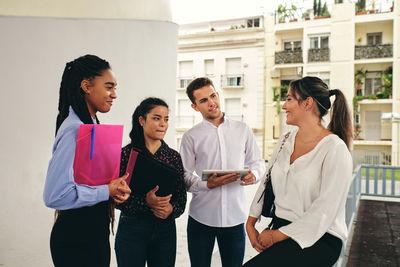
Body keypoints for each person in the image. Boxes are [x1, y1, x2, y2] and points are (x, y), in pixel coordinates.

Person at [243, 76, 353, 267]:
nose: (284, 106)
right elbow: (266, 181)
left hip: (320, 237)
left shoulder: (335, 149)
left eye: (289, 99)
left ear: (308, 103)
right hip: (281, 228)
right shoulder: (286, 139)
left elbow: (326, 209)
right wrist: (251, 222)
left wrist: (277, 236)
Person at [43, 54, 131, 267]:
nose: (114, 95)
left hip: (94, 235)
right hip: (75, 241)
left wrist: (115, 192)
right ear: (86, 86)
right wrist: (106, 191)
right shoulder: (74, 130)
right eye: (109, 87)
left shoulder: (91, 125)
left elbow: (89, 183)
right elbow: (53, 196)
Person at [179, 77, 266, 267]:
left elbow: (259, 162)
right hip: (201, 219)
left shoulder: (242, 129)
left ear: (218, 95)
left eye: (213, 96)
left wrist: (254, 174)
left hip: (235, 219)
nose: (211, 103)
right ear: (195, 107)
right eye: (203, 100)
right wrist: (205, 184)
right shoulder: (190, 137)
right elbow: (183, 176)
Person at [115, 97, 187, 267]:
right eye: (156, 118)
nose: (163, 124)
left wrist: (171, 209)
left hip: (165, 230)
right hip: (132, 229)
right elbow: (116, 199)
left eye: (166, 119)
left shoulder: (173, 157)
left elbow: (181, 198)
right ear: (142, 120)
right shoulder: (125, 155)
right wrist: (145, 202)